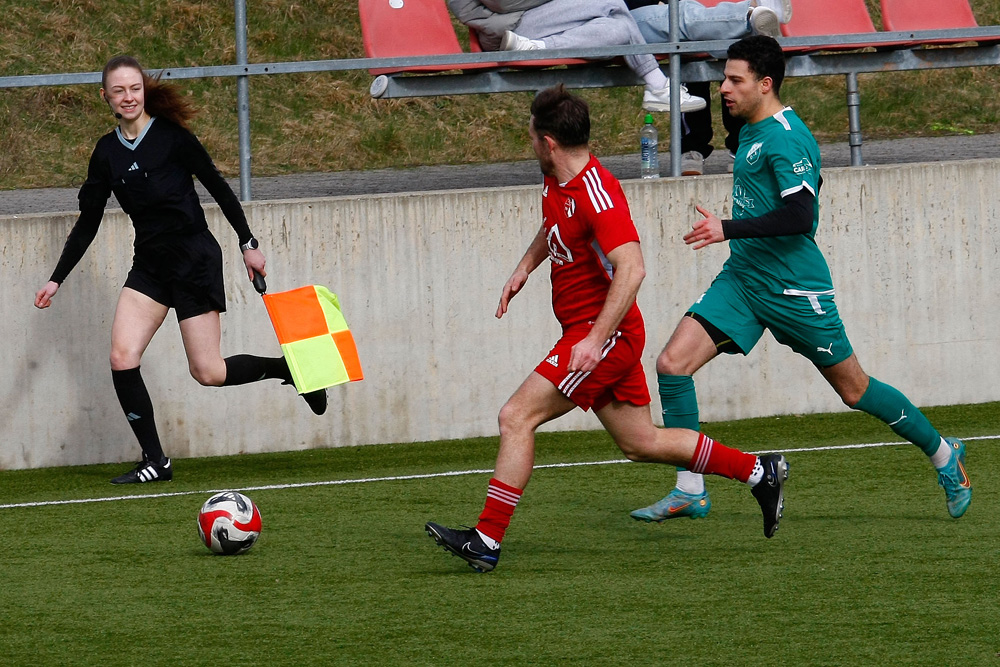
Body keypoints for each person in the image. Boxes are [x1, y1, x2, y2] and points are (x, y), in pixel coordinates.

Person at [425, 84, 788, 573]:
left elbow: (632, 269)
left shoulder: (597, 194)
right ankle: (758, 470)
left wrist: (594, 341)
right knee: (641, 443)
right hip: (594, 334)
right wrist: (525, 268)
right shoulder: (557, 178)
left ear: (547, 141)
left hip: (600, 337)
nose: (529, 141)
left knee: (516, 417)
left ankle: (486, 539)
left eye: (532, 134)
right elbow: (554, 227)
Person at [629, 36, 972, 525]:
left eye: (735, 80)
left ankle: (944, 454)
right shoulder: (751, 127)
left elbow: (799, 214)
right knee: (672, 364)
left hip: (795, 289)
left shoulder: (787, 137)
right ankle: (691, 488)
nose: (724, 88)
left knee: (854, 390)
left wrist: (727, 227)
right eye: (725, 77)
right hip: (745, 279)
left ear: (765, 85)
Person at [33, 55, 327, 485]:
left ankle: (289, 370)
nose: (128, 96)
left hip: (194, 262)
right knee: (121, 357)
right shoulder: (107, 153)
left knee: (208, 372)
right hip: (150, 268)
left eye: (134, 88)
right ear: (106, 97)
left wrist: (249, 244)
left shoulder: (173, 138)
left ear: (143, 91)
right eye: (118, 90)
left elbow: (219, 188)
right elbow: (88, 222)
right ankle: (155, 460)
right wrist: (56, 277)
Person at [626, 0, 793, 175]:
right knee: (683, 16)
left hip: (641, 14)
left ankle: (741, 146)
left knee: (693, 21)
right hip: (622, 20)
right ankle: (750, 16)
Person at [447, 0, 707, 112]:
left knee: (618, 27)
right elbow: (500, 4)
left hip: (542, 24)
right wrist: (496, 23)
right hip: (509, 27)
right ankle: (658, 85)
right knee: (612, 3)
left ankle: (540, 47)